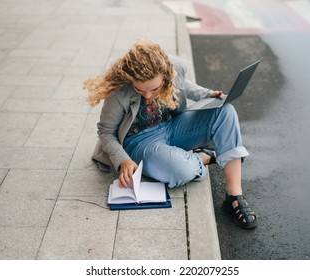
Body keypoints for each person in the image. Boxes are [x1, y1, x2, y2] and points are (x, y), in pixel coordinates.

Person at [84, 40, 257, 229]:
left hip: (173, 125)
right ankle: (203, 157)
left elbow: (185, 85)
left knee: (225, 111)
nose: (148, 95)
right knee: (180, 171)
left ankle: (234, 197)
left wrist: (207, 94)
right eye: (140, 90)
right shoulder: (120, 90)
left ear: (165, 76)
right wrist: (123, 159)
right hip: (140, 140)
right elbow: (106, 132)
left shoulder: (173, 68)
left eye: (154, 89)